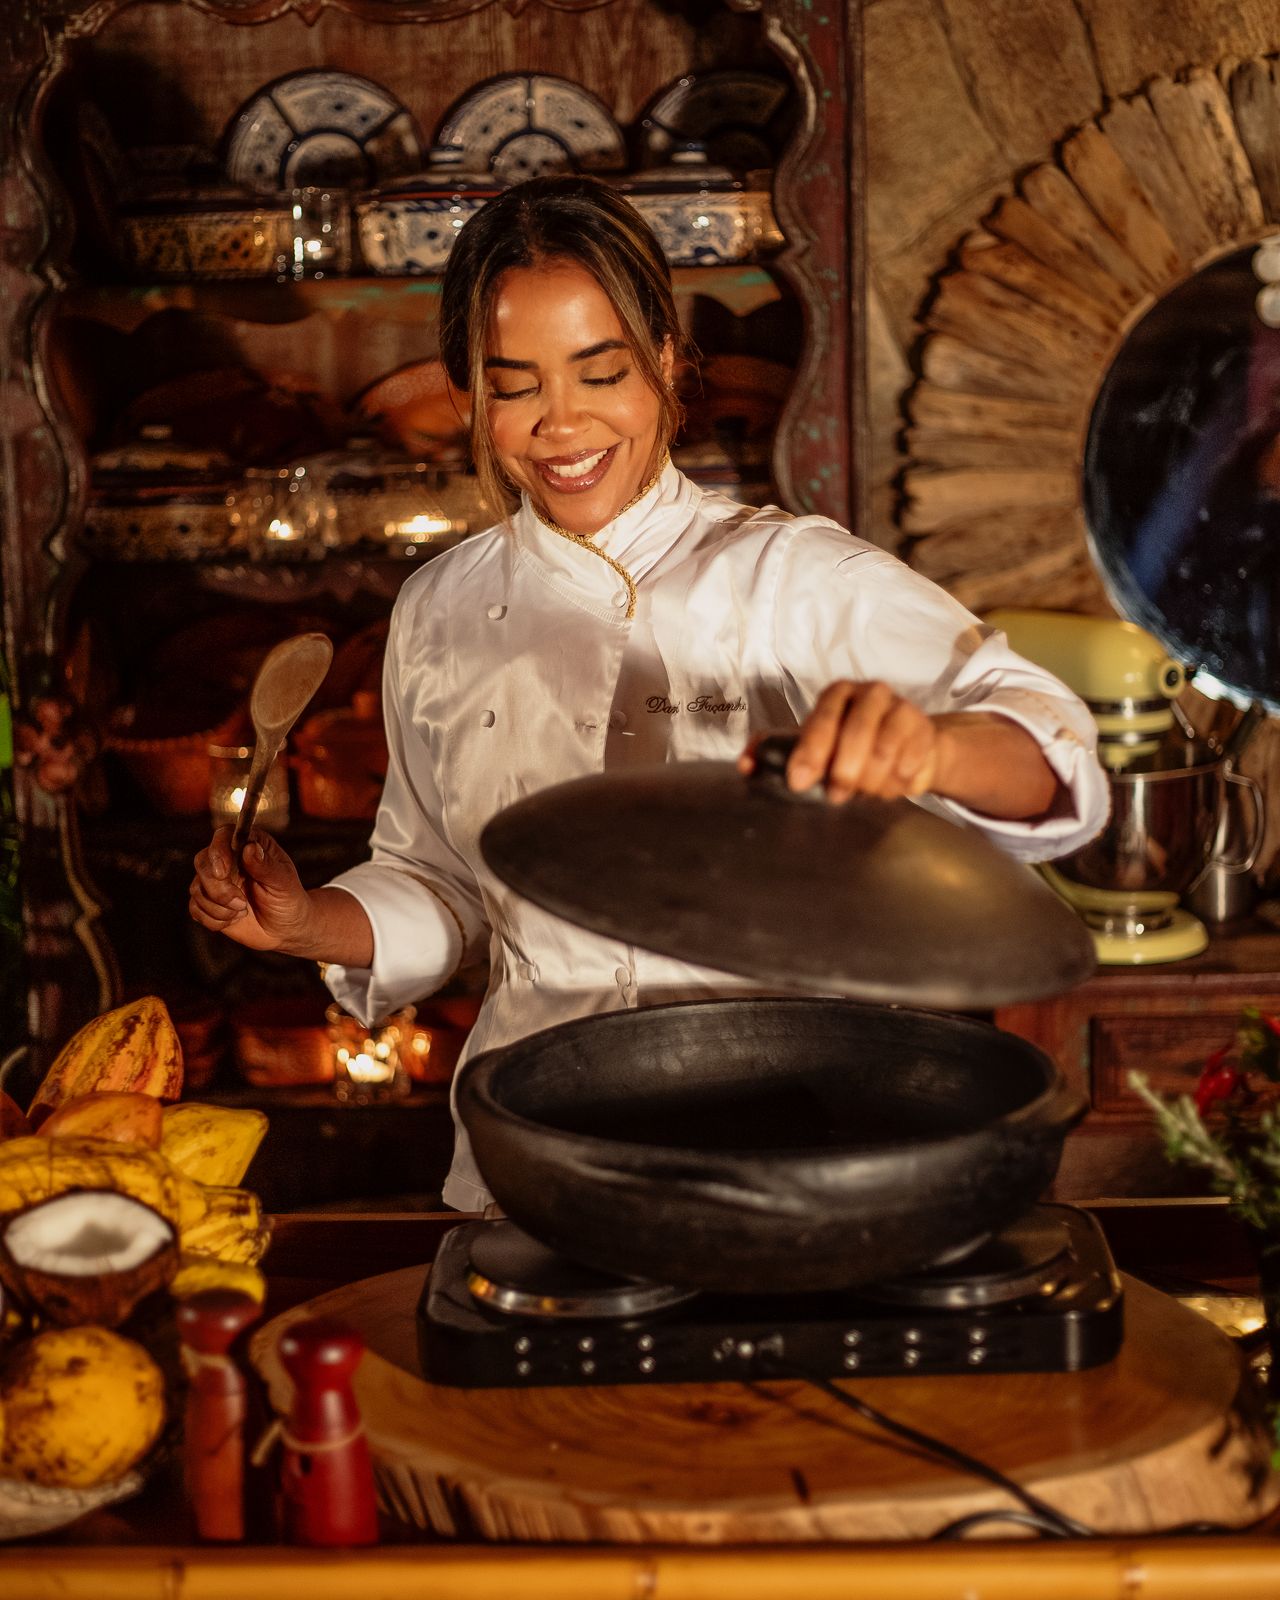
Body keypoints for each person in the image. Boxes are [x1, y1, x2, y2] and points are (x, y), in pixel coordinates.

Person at [190, 175, 1108, 1212]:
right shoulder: (437, 609)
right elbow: (444, 885)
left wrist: (932, 750)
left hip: (787, 1147)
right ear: (467, 394)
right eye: (517, 383)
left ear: (666, 361)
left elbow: (1052, 749)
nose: (560, 423)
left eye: (601, 372)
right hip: (531, 1151)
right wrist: (308, 921)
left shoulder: (792, 577)